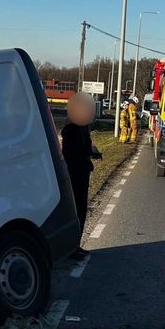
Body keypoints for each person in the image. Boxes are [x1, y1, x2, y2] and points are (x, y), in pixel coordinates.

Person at [61, 92, 100, 259]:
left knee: (81, 210)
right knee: (76, 210)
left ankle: (75, 246)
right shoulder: (71, 130)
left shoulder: (83, 129)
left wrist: (93, 154)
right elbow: (71, 153)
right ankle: (70, 248)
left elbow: (84, 148)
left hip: (82, 173)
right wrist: (85, 159)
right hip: (74, 174)